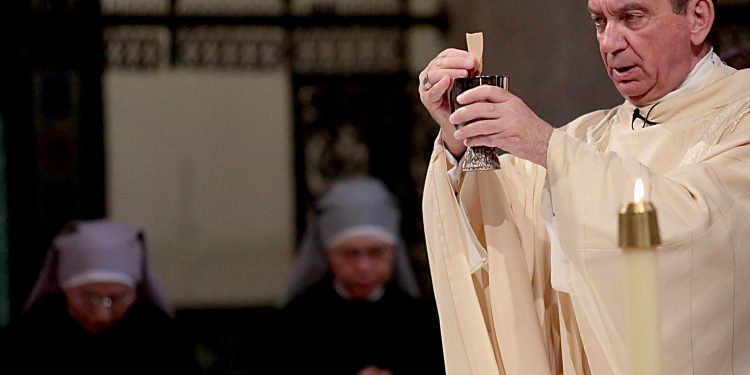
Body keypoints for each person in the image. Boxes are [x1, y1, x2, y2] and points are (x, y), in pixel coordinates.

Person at [418, 0, 750, 374]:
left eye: (632, 17)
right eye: (599, 21)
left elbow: (698, 229)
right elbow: (502, 226)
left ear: (698, 17)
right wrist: (461, 137)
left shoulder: (742, 116)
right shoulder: (587, 137)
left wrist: (545, 145)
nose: (610, 42)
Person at [280, 177, 444, 375]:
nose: (363, 267)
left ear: (393, 252)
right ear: (327, 254)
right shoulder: (297, 321)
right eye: (349, 254)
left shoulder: (420, 320)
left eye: (375, 252)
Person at [0, 219, 202, 374]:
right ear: (64, 291)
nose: (101, 315)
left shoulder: (161, 339)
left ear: (135, 293)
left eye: (116, 299)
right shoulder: (29, 338)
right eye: (89, 298)